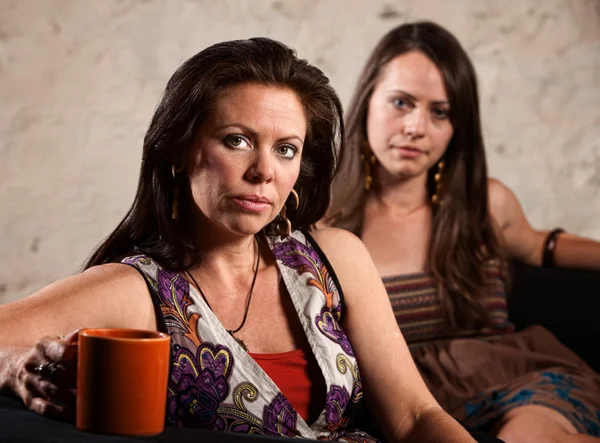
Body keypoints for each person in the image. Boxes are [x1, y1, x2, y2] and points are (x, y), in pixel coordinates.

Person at [0, 38, 481, 442]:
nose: (264, 172)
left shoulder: (338, 258)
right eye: (236, 140)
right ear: (179, 151)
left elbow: (416, 417)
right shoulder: (134, 289)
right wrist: (13, 366)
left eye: (286, 149)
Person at [328, 21, 600, 443]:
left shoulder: (484, 205)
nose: (417, 127)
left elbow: (540, 247)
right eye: (401, 102)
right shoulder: (321, 221)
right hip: (402, 402)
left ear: (458, 127)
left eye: (440, 112)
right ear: (367, 102)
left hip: (519, 385)